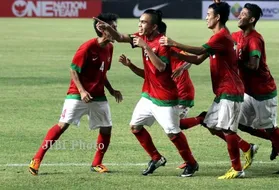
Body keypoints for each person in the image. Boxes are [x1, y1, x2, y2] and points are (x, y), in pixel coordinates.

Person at [94, 9, 199, 177]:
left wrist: (145, 46)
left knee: (173, 132)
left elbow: (161, 67)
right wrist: (108, 28)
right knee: (135, 127)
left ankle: (191, 163)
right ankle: (156, 158)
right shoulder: (140, 36)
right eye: (140, 21)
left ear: (154, 26)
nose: (140, 25)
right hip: (149, 94)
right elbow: (121, 37)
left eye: (144, 22)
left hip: (165, 97)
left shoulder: (163, 43)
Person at [160, 2, 254, 179]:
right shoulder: (218, 38)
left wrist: (173, 43)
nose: (206, 17)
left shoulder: (220, 37)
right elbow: (197, 59)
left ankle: (237, 168)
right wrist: (174, 53)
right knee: (211, 124)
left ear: (217, 17)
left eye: (209, 14)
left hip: (231, 90)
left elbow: (200, 50)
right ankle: (247, 148)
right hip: (222, 91)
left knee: (228, 130)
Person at [28, 13, 123, 175]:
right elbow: (73, 69)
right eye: (112, 27)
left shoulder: (110, 48)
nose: (116, 31)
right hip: (78, 94)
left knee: (106, 128)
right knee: (62, 125)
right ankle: (36, 159)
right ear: (102, 29)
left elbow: (102, 72)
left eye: (116, 27)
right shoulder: (87, 47)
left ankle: (97, 163)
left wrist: (111, 90)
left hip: (98, 95)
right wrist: (82, 90)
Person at [231, 3, 279, 174]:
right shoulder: (236, 35)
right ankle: (277, 141)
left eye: (244, 14)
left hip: (263, 92)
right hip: (248, 91)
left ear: (252, 19)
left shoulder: (254, 39)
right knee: (241, 124)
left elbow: (253, 65)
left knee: (270, 128)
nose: (239, 16)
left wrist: (236, 61)